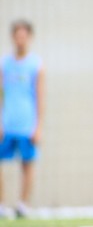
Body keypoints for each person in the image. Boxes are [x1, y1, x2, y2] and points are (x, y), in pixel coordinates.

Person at [0, 19, 44, 219]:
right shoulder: (4, 64)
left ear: (29, 37)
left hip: (27, 124)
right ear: (13, 37)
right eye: (17, 35)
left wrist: (38, 126)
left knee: (27, 164)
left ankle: (22, 205)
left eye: (23, 36)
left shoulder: (36, 65)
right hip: (7, 123)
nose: (20, 40)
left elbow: (40, 97)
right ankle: (2, 204)